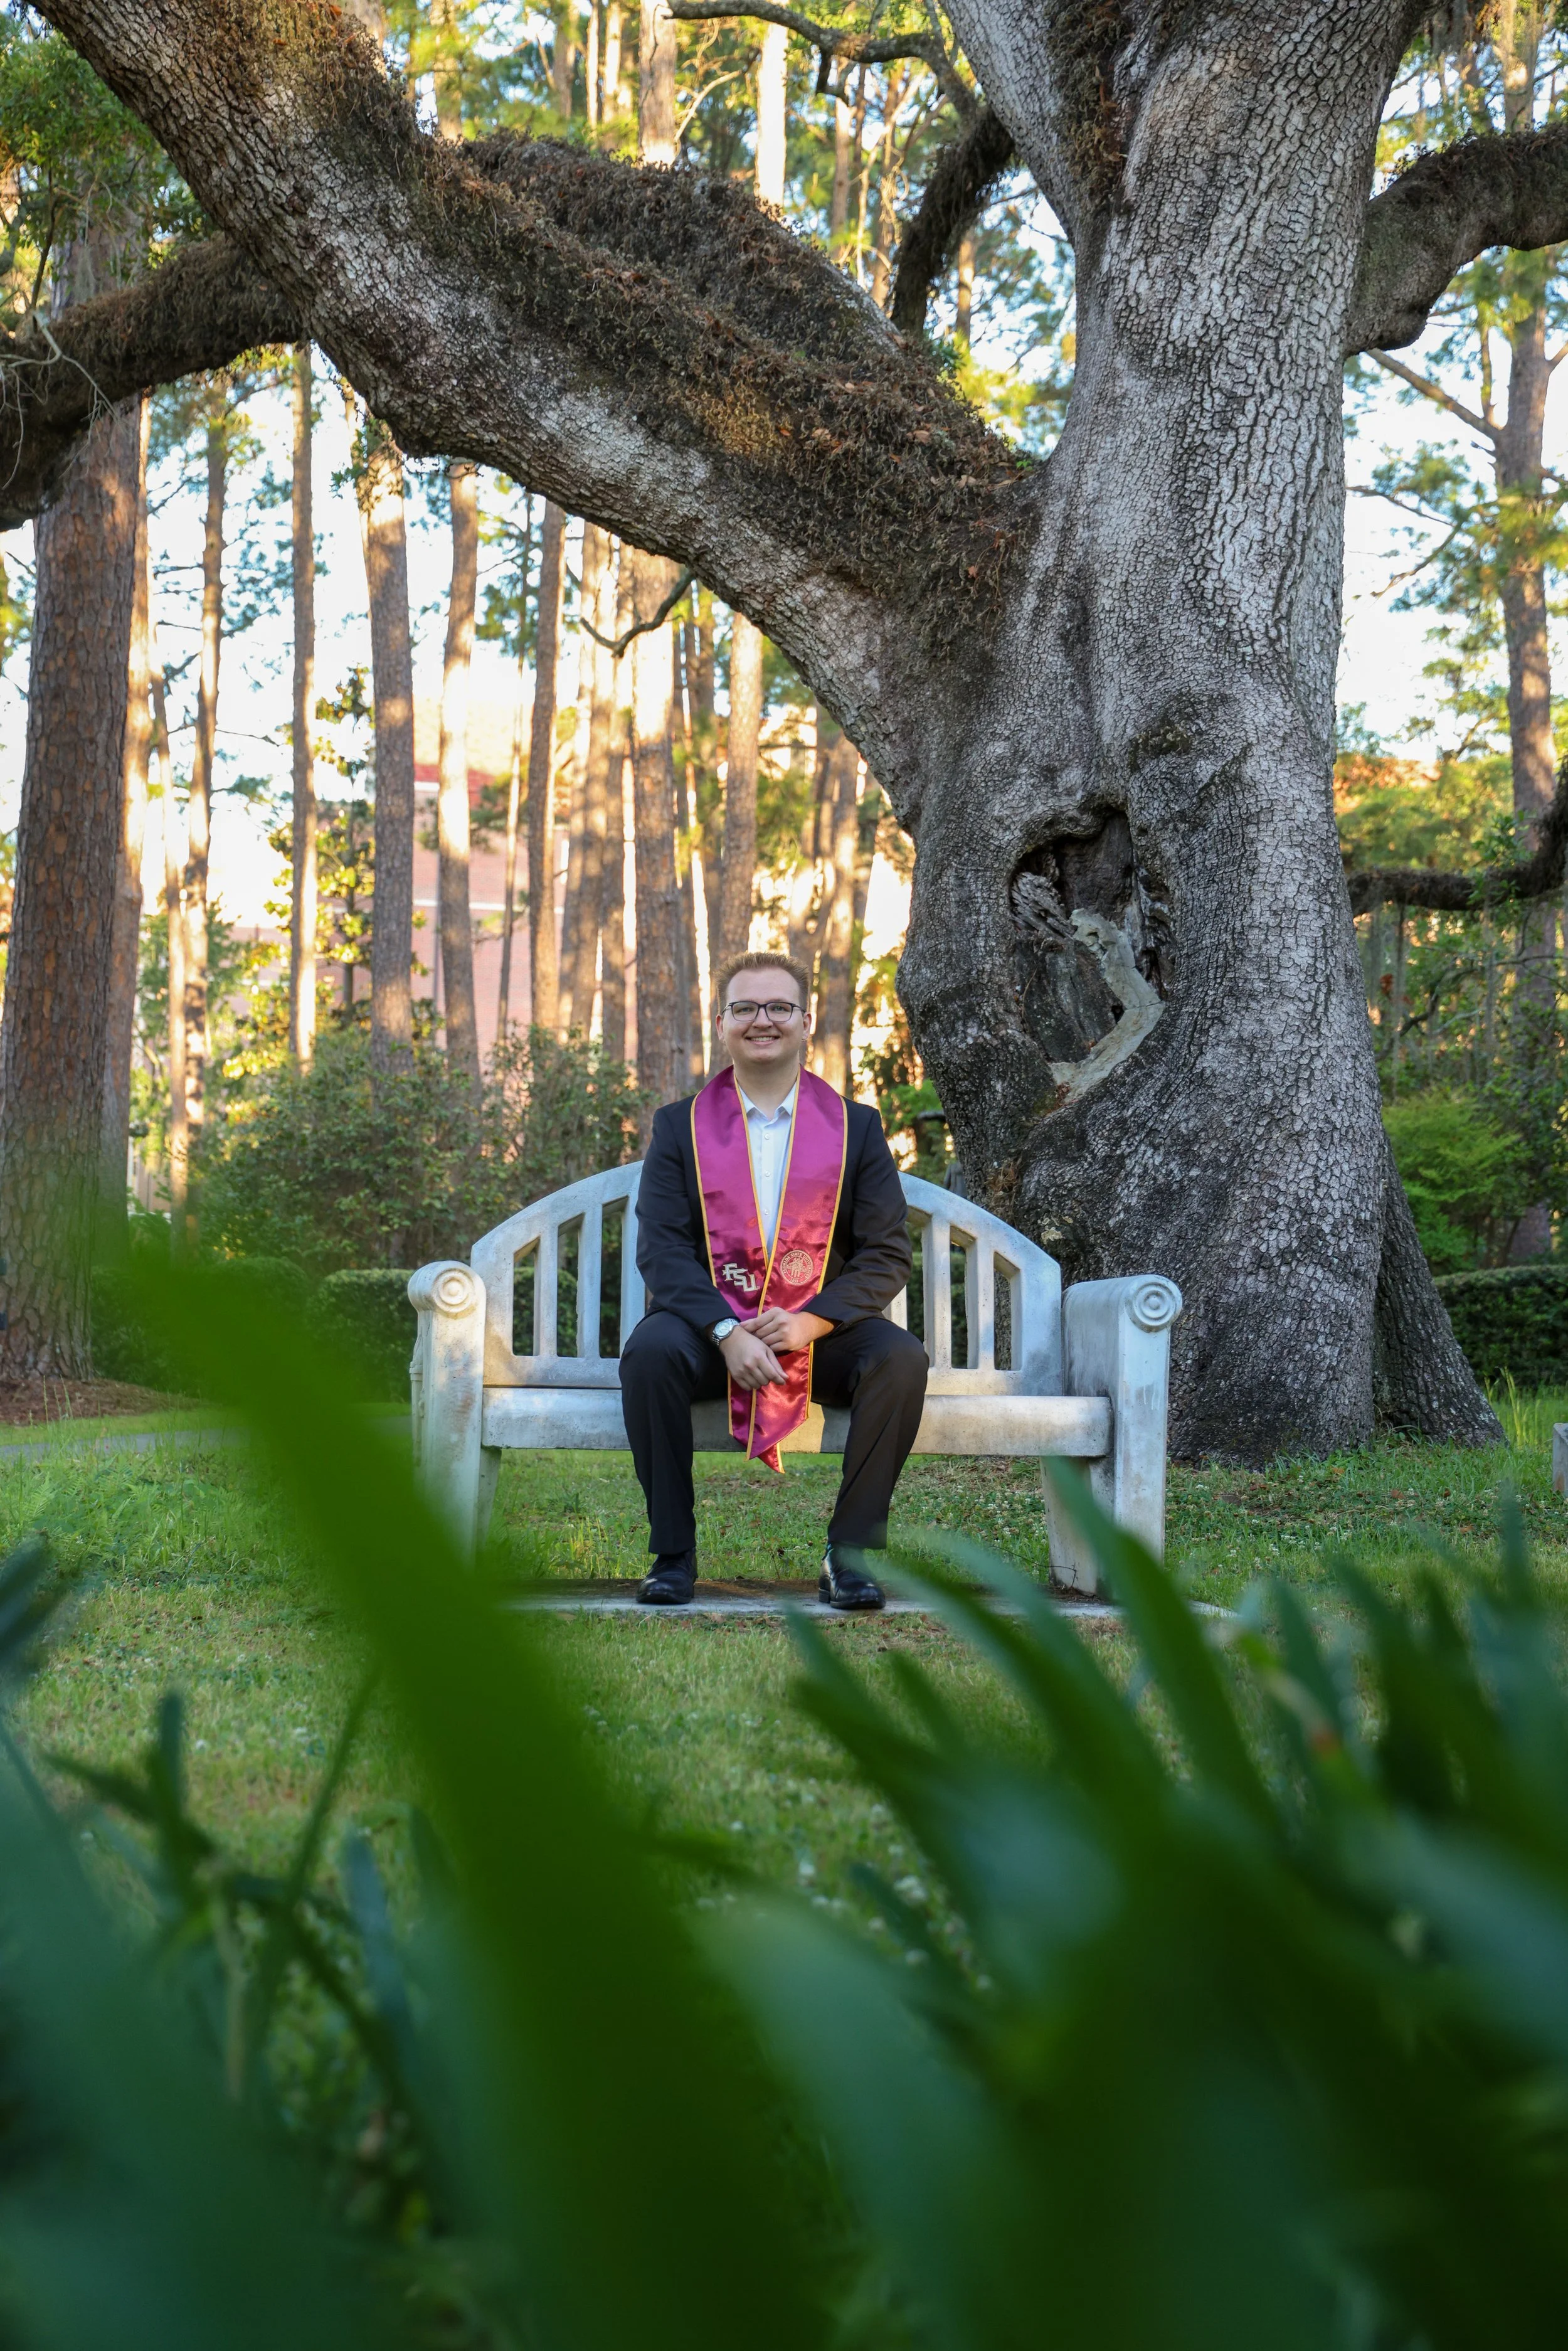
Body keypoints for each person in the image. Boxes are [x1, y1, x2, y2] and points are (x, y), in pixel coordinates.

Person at [619, 950, 928, 1609]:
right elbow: (663, 1250)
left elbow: (885, 1254)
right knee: (649, 1353)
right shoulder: (680, 1128)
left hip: (816, 1335)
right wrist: (726, 1329)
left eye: (779, 1007)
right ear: (723, 1021)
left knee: (898, 1358)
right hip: (711, 1337)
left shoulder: (857, 1129)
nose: (763, 1020)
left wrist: (810, 1320)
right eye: (746, 1008)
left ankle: (847, 1557)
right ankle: (673, 1555)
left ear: (806, 1020)